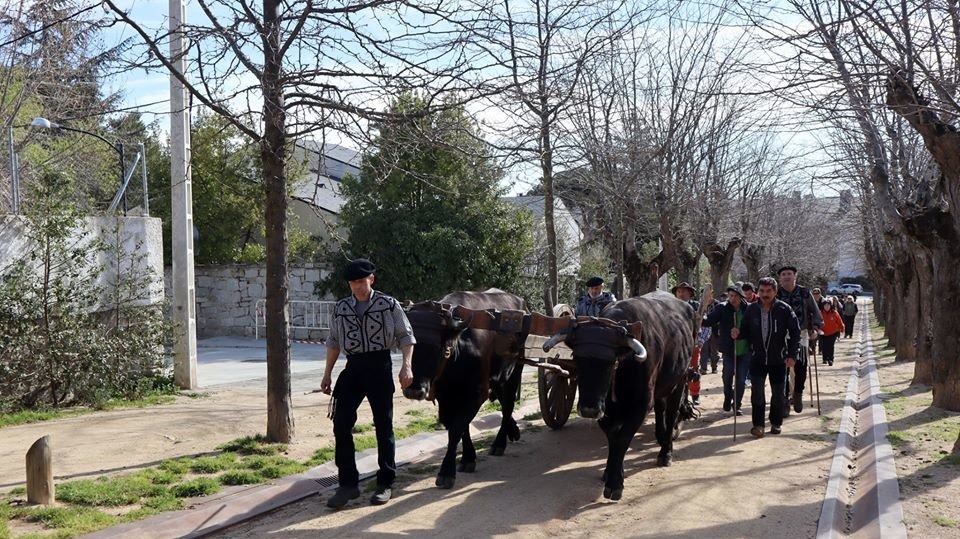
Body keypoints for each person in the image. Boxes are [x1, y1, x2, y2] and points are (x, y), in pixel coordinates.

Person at [320, 259, 416, 508]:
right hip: (353, 368)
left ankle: (385, 483)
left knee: (383, 425)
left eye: (362, 282)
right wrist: (327, 373)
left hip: (380, 367)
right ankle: (348, 485)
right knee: (341, 423)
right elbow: (333, 341)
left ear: (371, 280)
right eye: (353, 283)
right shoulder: (340, 308)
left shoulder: (388, 305)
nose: (358, 287)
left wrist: (407, 365)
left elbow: (406, 336)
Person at [732, 277, 800, 437]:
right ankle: (758, 425)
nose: (765, 294)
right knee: (757, 393)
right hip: (757, 359)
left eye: (769, 291)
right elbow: (745, 331)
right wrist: (738, 334)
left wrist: (792, 355)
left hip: (778, 359)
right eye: (762, 291)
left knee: (778, 394)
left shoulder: (784, 309)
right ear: (758, 292)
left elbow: (795, 333)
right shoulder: (751, 310)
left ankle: (776, 423)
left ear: (775, 291)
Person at [775, 266, 823, 414]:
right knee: (781, 369)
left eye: (789, 274)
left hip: (801, 334)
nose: (787, 276)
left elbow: (815, 313)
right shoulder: (775, 293)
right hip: (779, 335)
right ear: (780, 278)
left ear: (795, 275)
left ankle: (798, 394)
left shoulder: (804, 293)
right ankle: (784, 401)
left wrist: (814, 328)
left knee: (800, 367)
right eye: (783, 274)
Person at [702, 284, 751, 415]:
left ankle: (737, 404)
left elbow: (754, 327)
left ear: (741, 297)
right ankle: (727, 397)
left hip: (745, 350)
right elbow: (709, 321)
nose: (733, 298)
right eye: (731, 296)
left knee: (741, 380)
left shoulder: (749, 309)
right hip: (729, 349)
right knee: (727, 375)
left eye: (735, 296)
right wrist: (700, 316)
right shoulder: (722, 308)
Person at [673, 281, 703, 405]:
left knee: (694, 368)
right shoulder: (671, 307)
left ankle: (695, 394)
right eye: (679, 291)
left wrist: (700, 341)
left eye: (684, 291)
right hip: (676, 345)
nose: (681, 294)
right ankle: (678, 397)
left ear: (690, 293)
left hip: (693, 344)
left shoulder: (696, 306)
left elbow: (704, 325)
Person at [818, 300, 845, 366]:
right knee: (824, 345)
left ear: (830, 306)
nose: (827, 306)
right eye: (825, 305)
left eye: (828, 305)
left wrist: (842, 328)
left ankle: (831, 359)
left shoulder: (834, 313)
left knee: (830, 345)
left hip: (833, 332)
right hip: (823, 332)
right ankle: (824, 358)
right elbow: (816, 321)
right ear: (823, 306)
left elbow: (839, 321)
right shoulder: (820, 313)